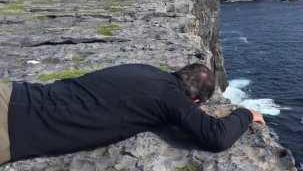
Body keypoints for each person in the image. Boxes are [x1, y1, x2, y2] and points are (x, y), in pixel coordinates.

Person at [0, 64, 265, 164]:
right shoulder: (170, 98)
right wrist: (246, 114)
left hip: (13, 93)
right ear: (194, 99)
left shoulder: (145, 70)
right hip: (12, 129)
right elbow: (215, 137)